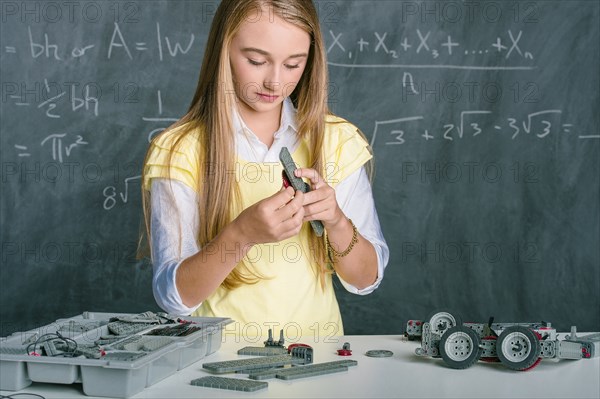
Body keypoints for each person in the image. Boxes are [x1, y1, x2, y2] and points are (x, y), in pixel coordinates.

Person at [142, 0, 389, 338]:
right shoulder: (180, 150)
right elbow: (175, 297)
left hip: (318, 363)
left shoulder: (336, 141)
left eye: (293, 64)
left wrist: (336, 221)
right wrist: (241, 235)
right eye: (256, 61)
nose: (275, 82)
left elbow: (365, 279)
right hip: (216, 367)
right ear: (224, 49)